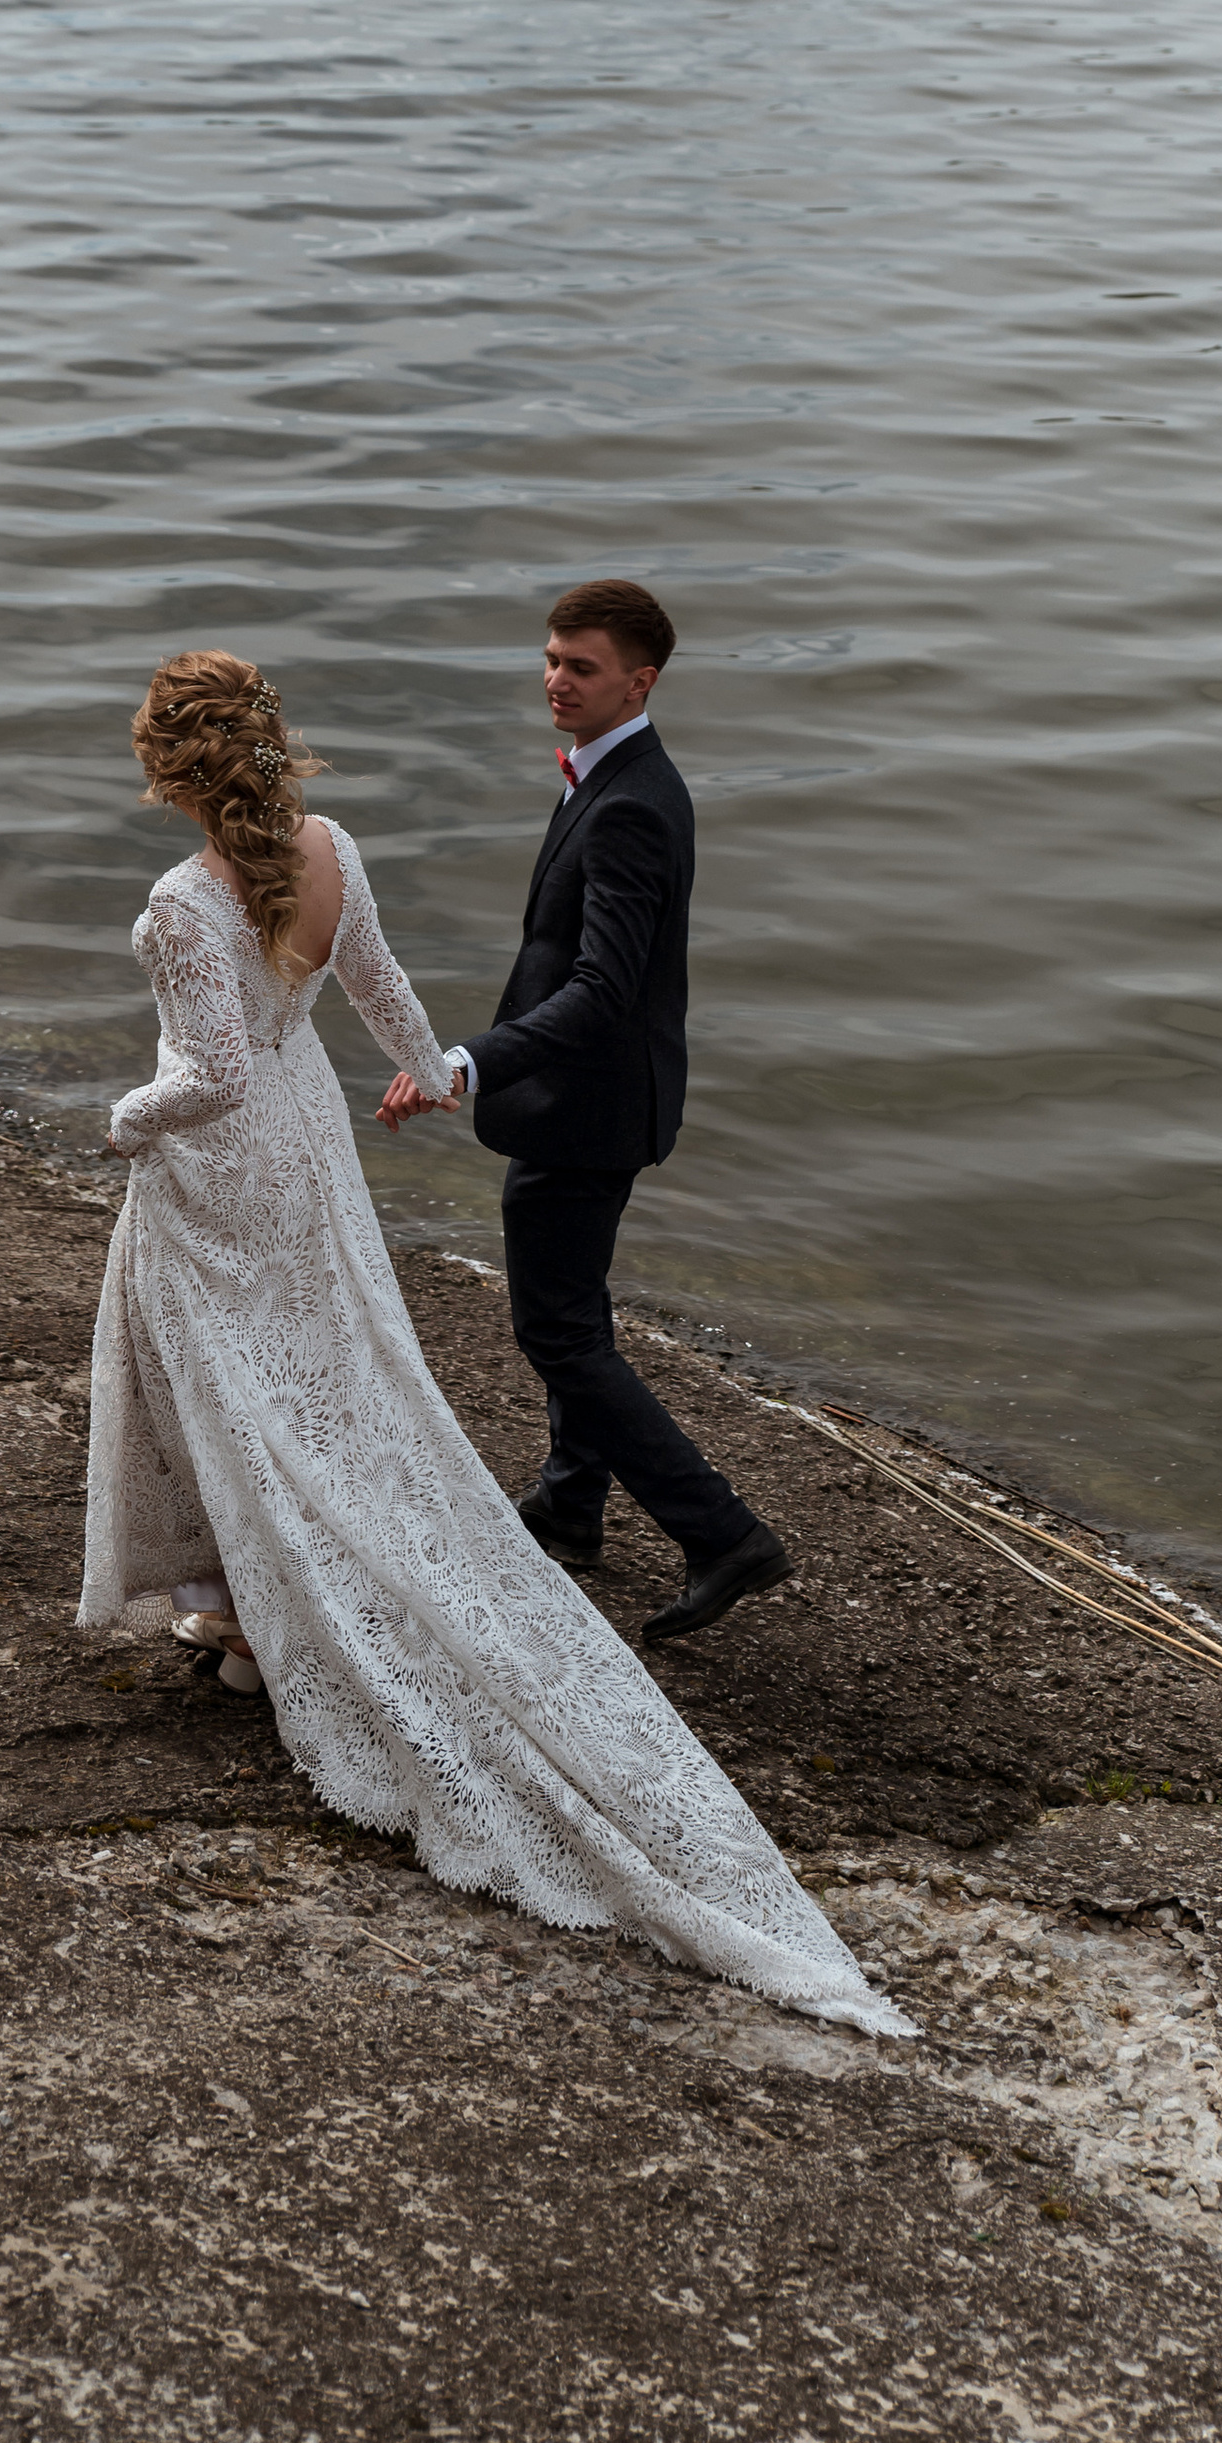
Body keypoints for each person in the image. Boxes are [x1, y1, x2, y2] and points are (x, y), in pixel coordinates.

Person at [74, 647, 909, 2040]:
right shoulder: (330, 847)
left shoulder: (177, 900)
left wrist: (121, 1115)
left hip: (226, 1169)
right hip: (313, 1157)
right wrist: (443, 1070)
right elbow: (384, 994)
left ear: (170, 767)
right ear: (271, 747)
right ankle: (239, 1609)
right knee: (323, 1383)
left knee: (222, 1377)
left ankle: (264, 1620)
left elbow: (206, 1077)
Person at [383, 580, 793, 1645]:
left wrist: (463, 1062)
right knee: (573, 1312)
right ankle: (569, 1507)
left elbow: (603, 990)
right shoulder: (613, 778)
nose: (557, 680)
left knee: (556, 1330)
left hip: (589, 1107)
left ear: (639, 682)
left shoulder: (628, 806)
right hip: (586, 1099)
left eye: (582, 667)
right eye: (552, 659)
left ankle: (722, 1533)